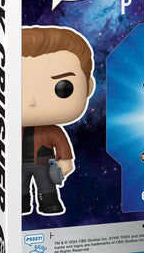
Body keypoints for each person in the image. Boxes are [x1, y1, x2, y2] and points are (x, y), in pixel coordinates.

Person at [22, 26, 95, 215]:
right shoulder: (11, 129)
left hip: (44, 163)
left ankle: (49, 204)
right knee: (20, 189)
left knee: (46, 187)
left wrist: (65, 161)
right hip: (18, 164)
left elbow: (62, 147)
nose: (32, 102)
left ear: (88, 87)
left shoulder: (52, 131)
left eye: (63, 88)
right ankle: (20, 204)